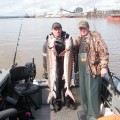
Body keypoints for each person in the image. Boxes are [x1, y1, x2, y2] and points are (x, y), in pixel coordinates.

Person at [74, 20, 109, 120]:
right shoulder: (79, 39)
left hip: (92, 70)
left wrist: (104, 67)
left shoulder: (96, 37)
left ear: (88, 28)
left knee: (92, 94)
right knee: (84, 93)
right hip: (82, 71)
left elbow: (104, 52)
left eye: (84, 28)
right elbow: (72, 48)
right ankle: (86, 112)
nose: (82, 30)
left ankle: (93, 116)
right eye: (81, 28)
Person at [42, 22, 76, 112]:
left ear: (61, 29)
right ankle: (57, 102)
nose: (57, 31)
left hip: (66, 67)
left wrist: (72, 46)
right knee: (57, 85)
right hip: (55, 68)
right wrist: (46, 70)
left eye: (59, 29)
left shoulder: (67, 38)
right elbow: (45, 58)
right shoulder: (47, 43)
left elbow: (73, 51)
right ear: (52, 30)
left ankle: (68, 102)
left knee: (67, 84)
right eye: (55, 29)